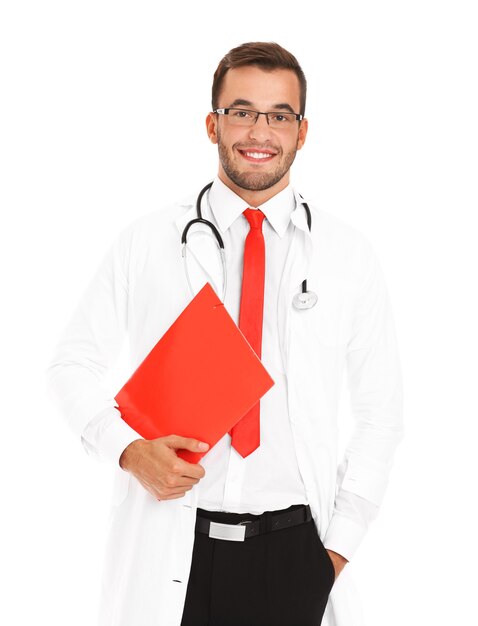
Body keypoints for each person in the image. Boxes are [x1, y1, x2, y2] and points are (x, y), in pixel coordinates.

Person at [46, 42, 403, 626]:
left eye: (278, 115)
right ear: (213, 123)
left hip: (295, 553)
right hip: (172, 545)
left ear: (302, 132)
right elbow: (70, 368)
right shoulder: (147, 241)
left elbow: (381, 415)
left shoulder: (348, 256)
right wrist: (129, 452)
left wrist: (334, 551)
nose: (259, 131)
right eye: (241, 111)